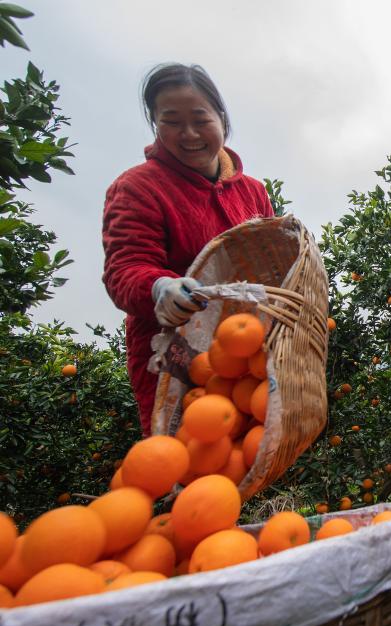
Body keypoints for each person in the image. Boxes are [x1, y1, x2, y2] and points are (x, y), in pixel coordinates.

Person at [102, 63, 274, 436]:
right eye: (172, 121)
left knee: (245, 457)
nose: (190, 133)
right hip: (175, 359)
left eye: (200, 118)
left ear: (221, 119)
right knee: (182, 462)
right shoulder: (138, 188)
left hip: (246, 353)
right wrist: (159, 287)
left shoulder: (252, 191)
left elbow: (274, 264)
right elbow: (124, 269)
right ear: (155, 124)